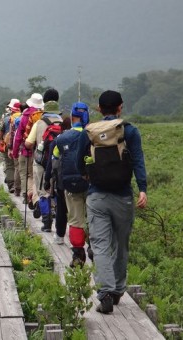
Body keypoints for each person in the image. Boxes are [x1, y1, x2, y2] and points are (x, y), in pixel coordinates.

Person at [76, 90, 148, 314]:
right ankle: (117, 289)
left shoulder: (89, 132)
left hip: (97, 196)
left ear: (99, 108)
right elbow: (137, 160)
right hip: (123, 196)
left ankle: (105, 293)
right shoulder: (129, 131)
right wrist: (143, 189)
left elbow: (79, 161)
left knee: (100, 245)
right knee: (120, 244)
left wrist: (87, 176)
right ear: (120, 107)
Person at [53, 103, 91, 263]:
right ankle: (95, 248)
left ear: (72, 116)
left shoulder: (61, 139)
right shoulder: (92, 135)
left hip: (70, 184)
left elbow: (55, 160)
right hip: (91, 184)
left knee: (75, 219)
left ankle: (77, 253)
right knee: (93, 218)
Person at [24, 89, 63, 231]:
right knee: (58, 191)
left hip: (42, 162)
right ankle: (59, 220)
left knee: (43, 191)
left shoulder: (39, 123)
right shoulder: (64, 122)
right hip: (59, 162)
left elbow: (28, 143)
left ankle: (46, 223)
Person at [44, 115, 71, 245]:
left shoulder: (58, 140)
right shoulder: (84, 136)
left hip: (62, 179)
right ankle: (79, 242)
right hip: (81, 180)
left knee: (61, 207)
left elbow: (51, 162)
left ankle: (60, 235)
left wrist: (47, 178)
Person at [12, 94, 43, 206]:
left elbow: (18, 136)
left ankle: (27, 194)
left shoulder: (24, 116)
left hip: (25, 149)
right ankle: (37, 196)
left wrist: (15, 152)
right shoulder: (41, 116)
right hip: (39, 151)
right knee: (34, 175)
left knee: (25, 174)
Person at [0, 99, 20, 192]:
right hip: (19, 145)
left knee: (9, 165)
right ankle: (19, 185)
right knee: (17, 165)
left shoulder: (6, 119)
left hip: (7, 145)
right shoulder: (23, 117)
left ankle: (11, 184)